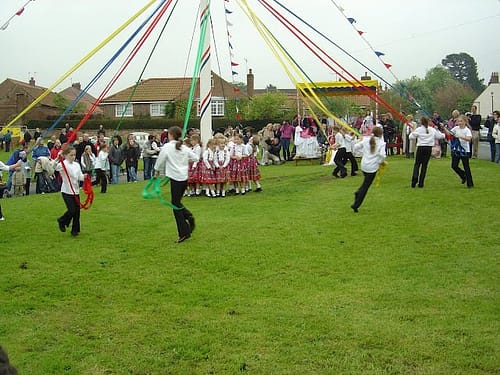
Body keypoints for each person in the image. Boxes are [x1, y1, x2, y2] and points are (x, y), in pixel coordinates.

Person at [154, 126, 198, 243]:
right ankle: (188, 218)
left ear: (171, 135)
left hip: (175, 178)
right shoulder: (184, 147)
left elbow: (160, 160)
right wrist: (184, 162)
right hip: (184, 178)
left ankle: (184, 231)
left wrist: (156, 171)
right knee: (176, 203)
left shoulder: (168, 147)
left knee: (175, 205)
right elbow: (195, 157)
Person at [350, 126, 386, 212]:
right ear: (381, 134)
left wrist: (360, 142)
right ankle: (356, 204)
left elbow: (355, 147)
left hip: (364, 165)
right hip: (372, 167)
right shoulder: (381, 143)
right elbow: (383, 155)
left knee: (365, 183)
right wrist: (380, 162)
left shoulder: (366, 140)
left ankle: (358, 193)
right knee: (366, 186)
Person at [55, 146, 87, 236]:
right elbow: (53, 167)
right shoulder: (62, 164)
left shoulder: (76, 165)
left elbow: (79, 176)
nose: (73, 157)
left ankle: (75, 230)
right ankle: (62, 221)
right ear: (65, 155)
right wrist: (57, 158)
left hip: (75, 191)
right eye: (71, 155)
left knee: (77, 212)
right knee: (72, 210)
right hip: (66, 191)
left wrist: (84, 177)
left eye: (74, 155)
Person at [409, 116, 445, 188]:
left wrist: (413, 131)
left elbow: (411, 137)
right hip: (428, 148)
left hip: (420, 148)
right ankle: (421, 183)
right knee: (424, 166)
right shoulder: (432, 130)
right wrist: (438, 130)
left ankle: (414, 180)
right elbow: (441, 136)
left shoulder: (419, 129)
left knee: (417, 164)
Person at [443, 115, 474, 188]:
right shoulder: (456, 128)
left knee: (466, 167)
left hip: (464, 151)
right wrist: (444, 127)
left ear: (465, 122)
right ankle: (463, 176)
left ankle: (470, 184)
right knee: (454, 166)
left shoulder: (467, 130)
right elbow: (449, 133)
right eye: (458, 121)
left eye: (461, 121)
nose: (459, 123)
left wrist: (460, 136)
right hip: (456, 150)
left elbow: (469, 138)